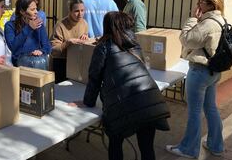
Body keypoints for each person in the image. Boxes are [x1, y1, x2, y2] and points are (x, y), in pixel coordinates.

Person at [70, 12, 170, 160]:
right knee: (147, 148)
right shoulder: (135, 44)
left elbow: (94, 78)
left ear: (108, 26)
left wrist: (88, 102)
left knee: (115, 143)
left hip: (123, 105)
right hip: (150, 100)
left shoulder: (103, 47)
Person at [166, 0, 225, 158]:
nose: (198, 6)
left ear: (210, 5)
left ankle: (189, 149)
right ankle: (216, 145)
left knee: (194, 111)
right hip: (213, 71)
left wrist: (192, 19)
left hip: (200, 71)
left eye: (201, 3)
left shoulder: (208, 23)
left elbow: (186, 39)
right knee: (211, 108)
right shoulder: (221, 20)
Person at [4, 0, 51, 70]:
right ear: (22, 11)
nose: (36, 12)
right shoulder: (10, 26)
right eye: (32, 9)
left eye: (36, 9)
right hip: (19, 66)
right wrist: (29, 28)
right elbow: (13, 47)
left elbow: (47, 46)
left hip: (38, 63)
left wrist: (41, 51)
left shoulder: (39, 25)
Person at [50, 0, 88, 83]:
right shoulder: (60, 25)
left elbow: (85, 39)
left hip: (77, 63)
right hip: (61, 63)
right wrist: (67, 43)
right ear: (70, 11)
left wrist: (85, 37)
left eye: (82, 10)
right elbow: (53, 50)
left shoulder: (84, 23)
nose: (80, 14)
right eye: (76, 11)